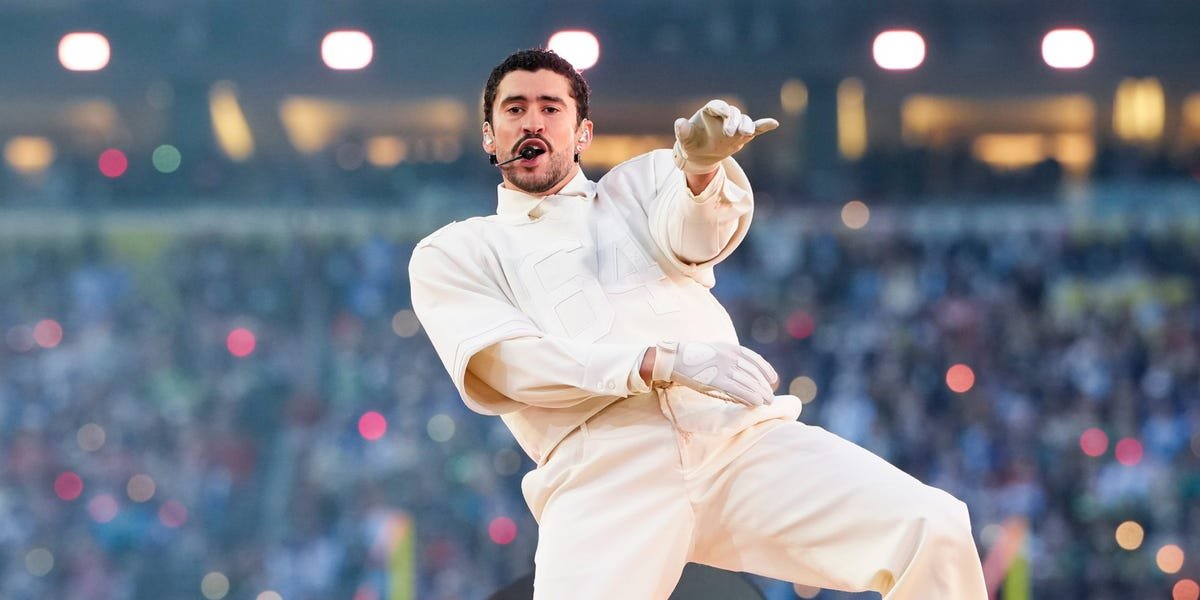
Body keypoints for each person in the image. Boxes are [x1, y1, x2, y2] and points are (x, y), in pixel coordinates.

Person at [409, 48, 988, 599]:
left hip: (733, 436)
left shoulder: (637, 185)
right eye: (514, 110)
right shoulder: (458, 251)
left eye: (550, 108)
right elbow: (507, 364)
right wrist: (658, 363)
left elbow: (695, 237)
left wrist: (703, 171)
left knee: (932, 527)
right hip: (604, 470)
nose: (531, 121)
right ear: (490, 135)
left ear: (582, 133)